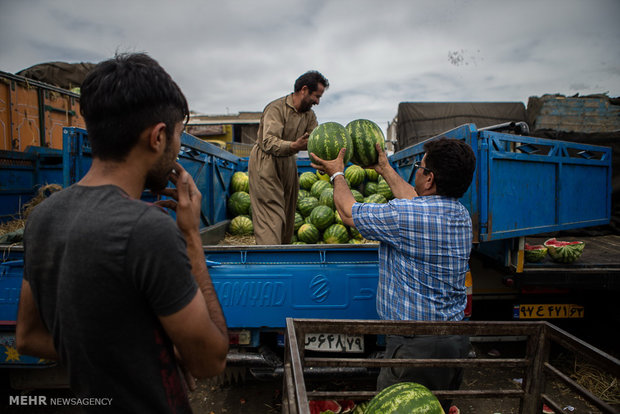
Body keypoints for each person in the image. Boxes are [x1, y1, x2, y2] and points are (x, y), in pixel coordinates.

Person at [16, 53, 229, 413]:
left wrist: (136, 357)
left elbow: (28, 336)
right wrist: (191, 237)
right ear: (158, 137)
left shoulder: (42, 218)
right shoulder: (149, 230)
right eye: (178, 136)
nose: (177, 148)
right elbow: (210, 361)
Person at [310, 137, 476, 411]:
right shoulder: (461, 215)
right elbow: (415, 200)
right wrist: (385, 168)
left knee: (399, 407)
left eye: (419, 168)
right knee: (433, 408)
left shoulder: (404, 216)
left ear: (430, 179)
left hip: (415, 346)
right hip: (453, 341)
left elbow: (348, 213)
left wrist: (337, 173)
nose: (417, 173)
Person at [248, 70, 329, 244]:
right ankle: (269, 262)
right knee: (271, 216)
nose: (317, 102)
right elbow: (268, 142)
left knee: (287, 213)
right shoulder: (276, 108)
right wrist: (293, 146)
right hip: (266, 161)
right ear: (304, 90)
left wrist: (327, 160)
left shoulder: (309, 115)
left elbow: (318, 139)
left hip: (288, 161)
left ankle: (283, 254)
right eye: (316, 96)